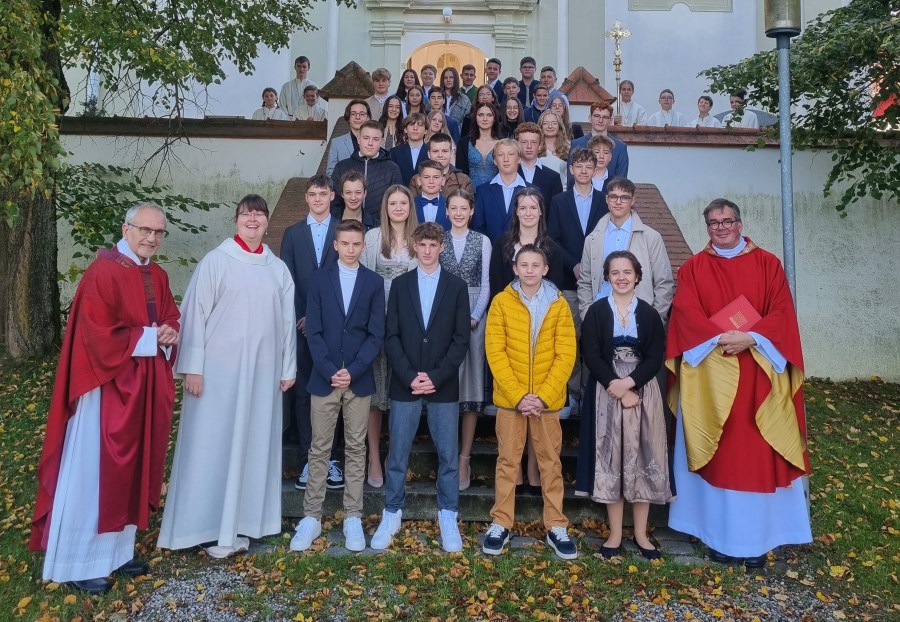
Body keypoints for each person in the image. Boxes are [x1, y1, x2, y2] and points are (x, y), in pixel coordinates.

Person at [31, 203, 180, 594]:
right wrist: (151, 336)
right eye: (145, 230)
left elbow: (169, 316)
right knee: (95, 472)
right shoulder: (103, 271)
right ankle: (76, 561)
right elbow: (97, 335)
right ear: (126, 229)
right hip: (105, 389)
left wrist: (169, 332)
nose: (152, 238)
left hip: (141, 387)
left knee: (128, 471)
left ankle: (116, 554)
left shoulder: (157, 275)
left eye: (159, 232)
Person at [666, 198, 811, 569]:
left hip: (759, 376)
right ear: (707, 227)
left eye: (727, 221)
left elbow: (782, 313)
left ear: (740, 224)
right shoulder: (694, 268)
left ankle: (758, 541)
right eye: (714, 223)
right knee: (720, 456)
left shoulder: (768, 264)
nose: (722, 228)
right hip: (711, 377)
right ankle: (717, 538)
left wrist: (751, 338)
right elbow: (685, 313)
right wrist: (721, 338)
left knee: (755, 458)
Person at [158, 194, 296, 559]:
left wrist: (287, 368)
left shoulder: (277, 269)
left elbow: (287, 323)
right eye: (246, 214)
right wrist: (193, 367)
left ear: (267, 222)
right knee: (209, 447)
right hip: (215, 377)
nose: (252, 220)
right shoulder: (216, 261)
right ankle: (200, 528)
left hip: (262, 376)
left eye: (259, 214)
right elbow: (195, 315)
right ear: (236, 220)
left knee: (252, 445)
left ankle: (241, 523)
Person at [372, 222, 471, 553]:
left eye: (433, 245)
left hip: (443, 384)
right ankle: (392, 511)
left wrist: (437, 376)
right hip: (406, 382)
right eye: (422, 245)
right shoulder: (400, 285)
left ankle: (448, 514)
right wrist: (408, 374)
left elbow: (460, 339)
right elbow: (391, 336)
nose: (427, 250)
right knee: (398, 452)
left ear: (442, 247)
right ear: (414, 246)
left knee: (448, 455)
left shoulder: (456, 287)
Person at [289, 219, 386, 553]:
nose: (350, 249)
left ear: (363, 246)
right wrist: (331, 369)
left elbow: (375, 334)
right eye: (344, 243)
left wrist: (353, 370)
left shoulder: (373, 282)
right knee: (319, 447)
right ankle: (312, 516)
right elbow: (313, 331)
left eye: (356, 244)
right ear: (335, 245)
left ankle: (353, 516)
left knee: (356, 447)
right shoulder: (319, 280)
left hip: (358, 379)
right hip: (324, 377)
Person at [482, 244, 577, 559]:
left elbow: (566, 354)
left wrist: (543, 397)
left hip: (547, 402)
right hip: (512, 401)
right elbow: (496, 352)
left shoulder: (559, 304)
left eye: (536, 265)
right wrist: (520, 396)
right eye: (524, 265)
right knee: (507, 462)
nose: (530, 270)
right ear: (515, 268)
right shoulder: (501, 302)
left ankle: (556, 525)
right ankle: (501, 523)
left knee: (551, 463)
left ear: (545, 269)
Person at [579, 250, 670, 560]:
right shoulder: (596, 312)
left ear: (638, 276)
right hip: (607, 392)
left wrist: (630, 384)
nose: (621, 277)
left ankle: (641, 534)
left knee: (643, 457)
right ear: (607, 277)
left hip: (642, 392)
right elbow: (591, 354)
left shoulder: (649, 313)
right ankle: (615, 534)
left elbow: (655, 356)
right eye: (615, 272)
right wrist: (615, 386)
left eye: (627, 272)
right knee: (613, 460)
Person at [281, 175, 344, 491]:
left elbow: (347, 277)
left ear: (332, 196)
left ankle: (331, 459)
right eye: (312, 194)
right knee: (305, 391)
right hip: (302, 326)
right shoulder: (293, 234)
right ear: (306, 198)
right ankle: (309, 459)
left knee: (335, 392)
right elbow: (288, 281)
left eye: (323, 193)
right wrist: (303, 317)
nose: (317, 199)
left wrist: (324, 319)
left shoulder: (344, 231)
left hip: (336, 328)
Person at [360, 186, 419, 488]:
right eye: (392, 203)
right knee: (374, 397)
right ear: (385, 207)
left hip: (406, 328)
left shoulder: (418, 239)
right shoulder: (372, 238)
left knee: (399, 397)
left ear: (410, 206)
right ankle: (373, 456)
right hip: (375, 325)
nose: (398, 208)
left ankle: (395, 457)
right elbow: (364, 281)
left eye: (403, 203)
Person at [439, 190, 492, 491]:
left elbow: (485, 284)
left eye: (464, 208)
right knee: (447, 390)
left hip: (473, 316)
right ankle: (446, 457)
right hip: (444, 314)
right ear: (446, 211)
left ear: (472, 211)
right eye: (454, 208)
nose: (459, 213)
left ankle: (464, 459)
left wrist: (474, 315)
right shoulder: (439, 239)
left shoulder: (482, 241)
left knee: (471, 391)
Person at [548, 148, 609, 406]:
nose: (583, 171)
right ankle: (572, 392)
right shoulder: (558, 201)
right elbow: (552, 238)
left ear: (595, 170)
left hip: (600, 282)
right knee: (570, 337)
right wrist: (573, 264)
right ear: (571, 170)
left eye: (588, 167)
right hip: (568, 280)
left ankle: (590, 391)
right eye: (579, 166)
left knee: (594, 338)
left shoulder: (605, 200)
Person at [576, 177, 673, 322]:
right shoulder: (592, 239)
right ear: (607, 199)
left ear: (632, 201)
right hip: (601, 317)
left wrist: (654, 320)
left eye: (624, 197)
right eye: (613, 196)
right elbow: (585, 282)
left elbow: (663, 283)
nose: (618, 201)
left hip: (639, 318)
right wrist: (588, 316)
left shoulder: (651, 237)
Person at [331, 120, 403, 229]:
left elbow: (396, 202)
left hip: (380, 229)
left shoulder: (392, 168)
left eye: (375, 139)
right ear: (358, 139)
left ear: (382, 141)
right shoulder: (342, 167)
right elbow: (334, 202)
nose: (370, 143)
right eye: (366, 138)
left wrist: (385, 228)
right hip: (346, 229)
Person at [472, 138, 531, 243]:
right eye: (500, 155)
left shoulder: (532, 191)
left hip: (523, 251)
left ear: (519, 159)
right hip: (491, 250)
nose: (506, 159)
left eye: (511, 154)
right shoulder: (483, 191)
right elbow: (477, 227)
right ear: (495, 160)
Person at [570, 103, 629, 180]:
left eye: (605, 117)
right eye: (597, 116)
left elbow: (621, 181)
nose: (600, 120)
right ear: (590, 118)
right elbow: (571, 178)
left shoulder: (620, 147)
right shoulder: (576, 144)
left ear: (610, 120)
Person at [411, 132, 474, 198]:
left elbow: (469, 204)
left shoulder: (464, 180)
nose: (440, 155)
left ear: (451, 153)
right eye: (435, 151)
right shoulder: (416, 179)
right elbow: (412, 204)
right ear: (429, 154)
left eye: (444, 151)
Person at [515, 122, 563, 208]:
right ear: (517, 145)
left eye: (533, 142)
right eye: (524, 142)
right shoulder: (509, 174)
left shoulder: (554, 178)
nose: (529, 146)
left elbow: (556, 211)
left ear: (540, 146)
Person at [456, 101, 500, 188]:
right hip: (470, 192)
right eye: (481, 115)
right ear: (475, 118)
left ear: (494, 119)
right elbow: (460, 173)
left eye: (489, 115)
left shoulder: (502, 143)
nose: (485, 119)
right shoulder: (463, 143)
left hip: (496, 192)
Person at [326, 99, 371, 176]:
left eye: (362, 114)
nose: (357, 117)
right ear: (348, 118)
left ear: (368, 117)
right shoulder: (336, 143)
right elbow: (331, 173)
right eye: (353, 114)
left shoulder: (376, 142)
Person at [390, 113, 428, 185]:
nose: (415, 128)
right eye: (411, 124)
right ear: (405, 130)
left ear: (426, 131)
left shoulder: (432, 151)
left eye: (420, 125)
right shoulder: (394, 152)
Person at [414, 160, 451, 230]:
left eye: (436, 177)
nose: (431, 181)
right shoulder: (411, 204)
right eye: (426, 177)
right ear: (419, 181)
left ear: (443, 180)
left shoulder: (450, 205)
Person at [538, 110, 570, 190]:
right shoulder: (534, 147)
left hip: (562, 191)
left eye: (554, 123)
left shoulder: (569, 147)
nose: (550, 126)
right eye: (546, 123)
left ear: (559, 126)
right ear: (541, 126)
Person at [279, 55, 317, 119]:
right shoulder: (286, 86)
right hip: (290, 120)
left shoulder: (314, 86)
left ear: (308, 68)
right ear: (295, 67)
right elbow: (282, 105)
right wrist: (287, 119)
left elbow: (316, 105)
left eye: (304, 67)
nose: (301, 69)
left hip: (308, 120)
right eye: (299, 66)